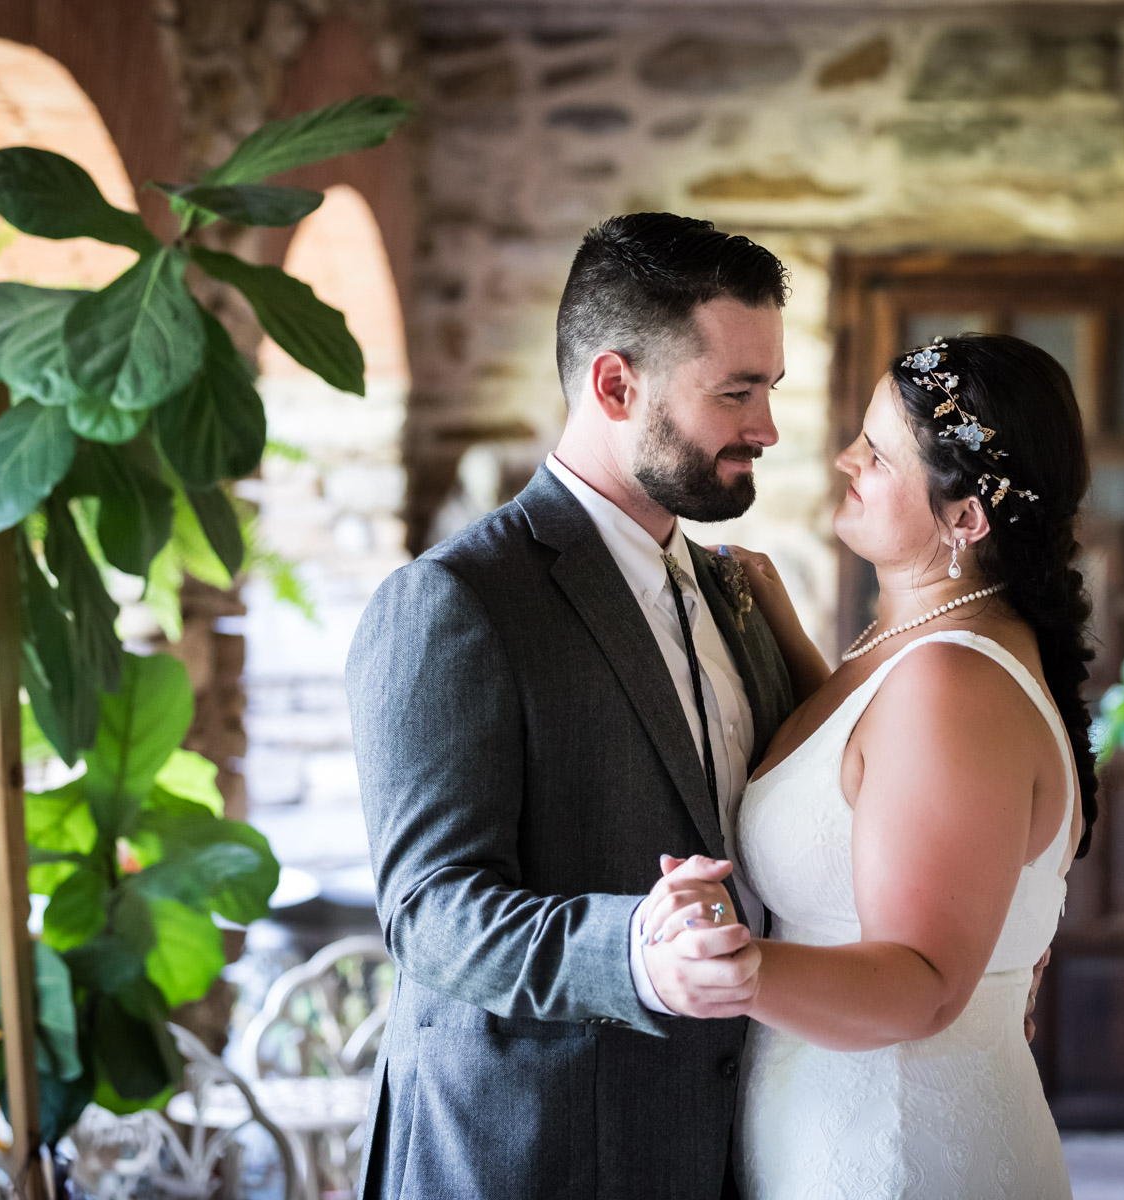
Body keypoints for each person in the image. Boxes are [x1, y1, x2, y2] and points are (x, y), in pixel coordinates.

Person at [347, 212, 796, 1198]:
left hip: (728, 1144)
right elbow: (430, 913)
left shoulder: (738, 592)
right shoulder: (456, 602)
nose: (766, 428)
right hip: (529, 1159)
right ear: (614, 383)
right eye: (736, 391)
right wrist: (634, 952)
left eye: (769, 389)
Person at [674, 332, 1100, 1198]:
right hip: (847, 1128)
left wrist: (731, 967)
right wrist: (785, 638)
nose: (843, 460)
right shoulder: (920, 651)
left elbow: (923, 982)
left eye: (877, 453)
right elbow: (863, 781)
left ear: (965, 518)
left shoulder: (954, 682)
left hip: (901, 1151)